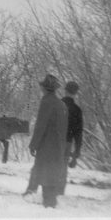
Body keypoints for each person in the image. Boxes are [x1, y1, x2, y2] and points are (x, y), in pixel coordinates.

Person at [22, 74, 68, 208]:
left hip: (46, 146)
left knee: (44, 173)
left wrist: (34, 144)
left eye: (42, 86)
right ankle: (51, 202)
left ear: (45, 88)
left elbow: (41, 125)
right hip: (58, 147)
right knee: (52, 174)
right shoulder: (61, 104)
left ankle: (48, 205)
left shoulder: (46, 102)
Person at [58, 81, 83, 195]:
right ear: (76, 93)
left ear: (65, 90)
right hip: (67, 142)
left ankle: (49, 188)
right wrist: (77, 152)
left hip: (54, 140)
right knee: (62, 167)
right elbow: (78, 133)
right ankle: (60, 190)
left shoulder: (57, 105)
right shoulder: (77, 110)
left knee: (53, 164)